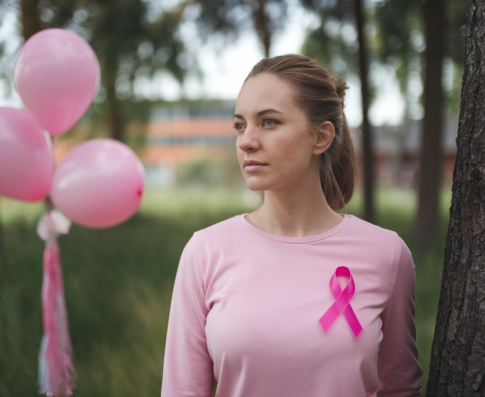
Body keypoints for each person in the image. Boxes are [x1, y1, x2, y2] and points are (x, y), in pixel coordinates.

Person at [161, 54, 423, 397]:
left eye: (268, 122)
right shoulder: (205, 252)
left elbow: (400, 389)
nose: (246, 141)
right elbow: (183, 391)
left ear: (321, 137)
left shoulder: (387, 255)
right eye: (240, 125)